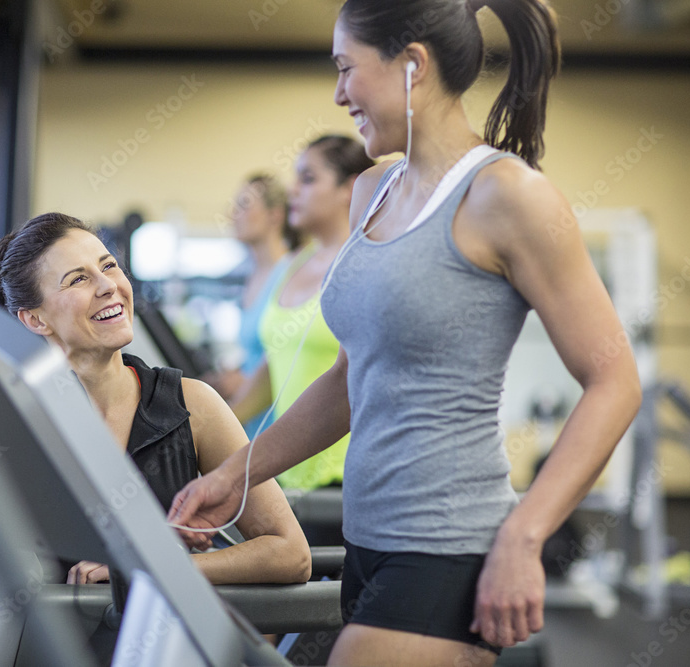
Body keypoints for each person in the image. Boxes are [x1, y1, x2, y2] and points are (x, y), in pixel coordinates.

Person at [168, 1, 642, 666]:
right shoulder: (372, 191)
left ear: (412, 64)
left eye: (347, 68)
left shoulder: (506, 195)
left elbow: (614, 381)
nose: (339, 94)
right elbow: (348, 379)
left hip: (449, 545)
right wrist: (234, 476)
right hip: (367, 541)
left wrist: (524, 535)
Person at [0, 212, 311, 587]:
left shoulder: (193, 404)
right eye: (78, 279)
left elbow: (290, 553)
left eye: (108, 266)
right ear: (33, 319)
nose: (108, 286)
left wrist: (148, 568)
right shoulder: (0, 418)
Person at [230, 136, 373, 496]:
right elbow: (274, 364)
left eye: (308, 179)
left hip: (345, 478)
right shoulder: (293, 264)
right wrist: (212, 426)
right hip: (286, 475)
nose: (293, 190)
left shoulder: (367, 264)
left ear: (350, 188)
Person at [206, 173, 296, 440]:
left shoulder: (292, 274)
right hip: (251, 425)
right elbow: (259, 352)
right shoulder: (252, 276)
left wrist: (245, 385)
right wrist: (236, 374)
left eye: (244, 204)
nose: (233, 214)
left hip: (279, 422)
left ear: (275, 215)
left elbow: (291, 355)